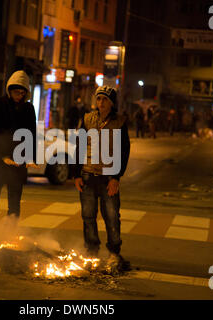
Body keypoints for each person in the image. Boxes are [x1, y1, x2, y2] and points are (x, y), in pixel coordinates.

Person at [73, 86, 131, 272]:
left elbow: (124, 151)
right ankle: (91, 250)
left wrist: (116, 177)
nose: (101, 103)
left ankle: (114, 252)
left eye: (105, 100)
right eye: (99, 99)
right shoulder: (88, 119)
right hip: (88, 175)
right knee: (88, 216)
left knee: (112, 217)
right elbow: (79, 146)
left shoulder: (120, 122)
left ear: (112, 103)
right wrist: (76, 174)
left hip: (108, 178)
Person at [0, 70, 37, 222]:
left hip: (18, 162)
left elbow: (31, 133)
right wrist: (3, 155)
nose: (19, 96)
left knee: (14, 203)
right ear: (9, 90)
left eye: (22, 93)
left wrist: (31, 157)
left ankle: (9, 232)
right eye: (16, 92)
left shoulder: (28, 109)